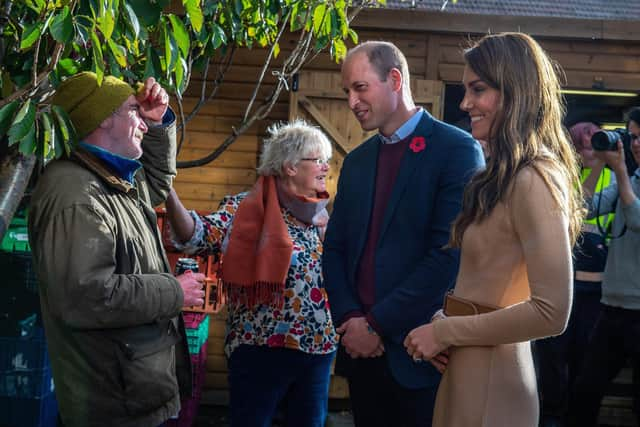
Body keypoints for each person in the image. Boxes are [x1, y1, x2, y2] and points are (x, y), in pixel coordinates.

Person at [403, 32, 584, 427]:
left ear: (515, 92)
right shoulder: (502, 176)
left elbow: (552, 312)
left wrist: (450, 330)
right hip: (468, 367)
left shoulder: (535, 177)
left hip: (494, 381)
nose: (465, 103)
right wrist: (444, 323)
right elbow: (486, 282)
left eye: (478, 89)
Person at [27, 72, 206, 427]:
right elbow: (87, 296)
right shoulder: (76, 195)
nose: (142, 120)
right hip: (112, 403)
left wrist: (159, 122)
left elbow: (157, 184)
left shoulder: (113, 177)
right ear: (103, 117)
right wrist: (174, 290)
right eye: (133, 111)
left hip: (131, 389)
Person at [323, 41, 485, 427]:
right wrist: (350, 319)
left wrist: (376, 324)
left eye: (360, 87)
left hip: (419, 356)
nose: (351, 101)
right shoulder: (358, 161)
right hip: (361, 354)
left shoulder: (455, 149)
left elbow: (448, 254)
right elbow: (335, 248)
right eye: (347, 91)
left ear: (395, 79)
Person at [165, 120, 339, 427]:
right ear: (289, 167)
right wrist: (167, 191)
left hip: (317, 349)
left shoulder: (320, 216)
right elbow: (197, 235)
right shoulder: (244, 209)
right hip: (261, 350)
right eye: (319, 160)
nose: (327, 167)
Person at [535, 121, 614, 427]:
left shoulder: (616, 172)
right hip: (562, 281)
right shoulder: (560, 172)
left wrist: (602, 161)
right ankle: (553, 414)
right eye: (581, 133)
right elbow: (576, 208)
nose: (588, 138)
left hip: (598, 288)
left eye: (594, 132)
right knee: (553, 355)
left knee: (585, 357)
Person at [568, 108, 640, 427]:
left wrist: (621, 170)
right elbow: (585, 210)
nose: (634, 143)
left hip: (639, 309)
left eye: (639, 137)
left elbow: (636, 219)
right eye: (632, 136)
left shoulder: (630, 177)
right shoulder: (634, 177)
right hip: (612, 305)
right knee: (586, 390)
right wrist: (596, 166)